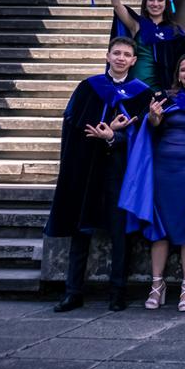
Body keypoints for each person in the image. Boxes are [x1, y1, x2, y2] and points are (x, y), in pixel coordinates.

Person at [46, 36, 151, 312]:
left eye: (126, 54)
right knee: (81, 230)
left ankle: (118, 292)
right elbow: (72, 124)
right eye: (116, 53)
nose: (120, 58)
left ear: (133, 60)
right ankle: (73, 292)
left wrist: (113, 137)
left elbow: (143, 136)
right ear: (107, 56)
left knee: (120, 232)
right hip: (87, 166)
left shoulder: (141, 94)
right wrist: (102, 131)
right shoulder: (88, 88)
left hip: (120, 170)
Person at [120, 53, 185, 313]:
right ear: (178, 74)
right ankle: (157, 284)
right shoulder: (165, 99)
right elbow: (153, 128)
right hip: (163, 170)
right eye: (183, 69)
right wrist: (153, 118)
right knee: (160, 227)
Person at [107, 0, 180, 89]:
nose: (155, 4)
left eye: (160, 0)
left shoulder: (174, 30)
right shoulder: (137, 25)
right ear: (145, 4)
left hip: (162, 87)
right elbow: (117, 5)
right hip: (135, 85)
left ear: (166, 5)